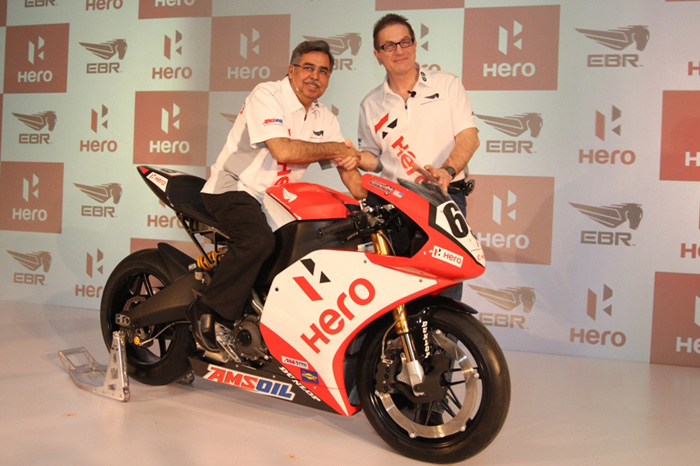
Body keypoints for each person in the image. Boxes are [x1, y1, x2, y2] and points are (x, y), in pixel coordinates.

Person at [190, 40, 363, 352]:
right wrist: (337, 149)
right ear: (291, 70)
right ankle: (208, 311)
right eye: (308, 68)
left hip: (275, 201)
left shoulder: (324, 117)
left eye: (323, 71)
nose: (315, 76)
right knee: (257, 241)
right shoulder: (268, 95)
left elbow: (346, 166)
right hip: (234, 188)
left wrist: (365, 198)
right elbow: (283, 150)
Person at [357, 13, 479, 215]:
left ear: (414, 45)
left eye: (404, 42)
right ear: (377, 55)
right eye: (389, 46)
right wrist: (354, 157)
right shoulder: (369, 104)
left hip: (445, 197)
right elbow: (374, 159)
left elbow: (470, 138)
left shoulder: (447, 84)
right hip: (394, 203)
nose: (399, 50)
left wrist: (447, 171)